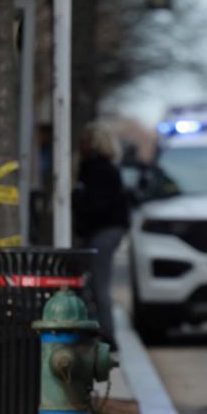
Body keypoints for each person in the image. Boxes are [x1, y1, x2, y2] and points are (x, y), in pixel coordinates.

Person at [74, 122, 130, 347]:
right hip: (106, 229)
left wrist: (79, 203)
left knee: (99, 282)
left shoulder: (97, 170)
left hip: (103, 230)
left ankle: (107, 332)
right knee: (96, 282)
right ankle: (101, 329)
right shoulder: (104, 168)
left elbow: (96, 206)